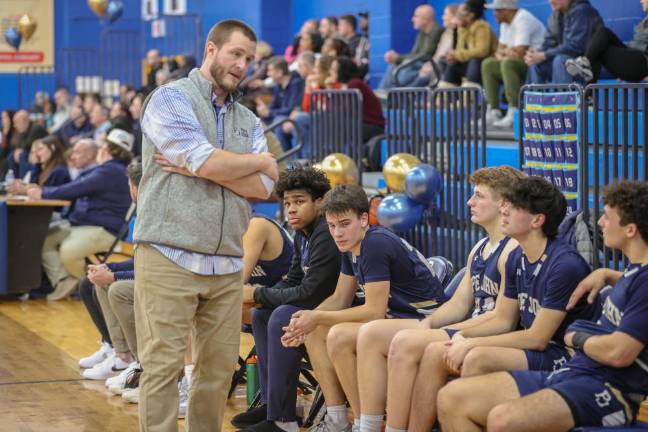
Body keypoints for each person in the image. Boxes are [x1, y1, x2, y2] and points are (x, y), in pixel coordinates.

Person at [132, 19, 278, 432]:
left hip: (227, 262)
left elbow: (266, 186)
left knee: (216, 376)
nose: (242, 65)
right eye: (235, 53)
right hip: (168, 252)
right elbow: (217, 162)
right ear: (211, 50)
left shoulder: (248, 120)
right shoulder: (169, 99)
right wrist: (253, 163)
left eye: (248, 59)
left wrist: (199, 168)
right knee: (163, 370)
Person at [437, 180, 648, 431]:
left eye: (607, 216)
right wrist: (607, 273)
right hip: (576, 371)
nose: (600, 222)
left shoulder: (639, 281)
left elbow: (618, 352)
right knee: (450, 399)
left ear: (630, 230)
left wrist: (578, 336)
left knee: (502, 419)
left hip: (608, 389)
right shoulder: (634, 272)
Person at [408, 176, 598, 430]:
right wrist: (461, 336)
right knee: (438, 350)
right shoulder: (517, 256)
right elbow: (502, 318)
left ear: (537, 220)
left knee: (477, 357)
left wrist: (471, 343)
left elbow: (537, 338)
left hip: (566, 355)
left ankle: (472, 413)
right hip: (538, 348)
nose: (504, 210)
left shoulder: (565, 265)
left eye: (513, 206)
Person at [354, 166, 523, 432]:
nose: (469, 202)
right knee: (371, 333)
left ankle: (398, 428)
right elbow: (458, 304)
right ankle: (367, 425)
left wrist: (447, 330)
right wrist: (430, 323)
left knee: (404, 342)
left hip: (491, 334)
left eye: (478, 195)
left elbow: (504, 321)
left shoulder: (512, 249)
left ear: (503, 204)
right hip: (471, 324)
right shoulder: (479, 248)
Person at [281, 184, 446, 432]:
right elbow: (340, 298)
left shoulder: (375, 244)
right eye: (332, 226)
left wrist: (317, 316)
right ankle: (339, 420)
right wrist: (307, 320)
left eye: (345, 224)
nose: (337, 233)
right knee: (318, 330)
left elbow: (374, 311)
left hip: (428, 320)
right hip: (399, 319)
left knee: (339, 333)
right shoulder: (351, 245)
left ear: (364, 219)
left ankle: (366, 423)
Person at [232, 167, 340, 432]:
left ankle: (284, 422)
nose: (291, 209)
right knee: (262, 313)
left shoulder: (326, 232)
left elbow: (312, 292)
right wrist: (262, 300)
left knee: (281, 315)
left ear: (319, 202)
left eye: (300, 201)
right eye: (288, 203)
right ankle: (274, 405)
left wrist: (257, 293)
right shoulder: (303, 233)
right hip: (319, 306)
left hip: (339, 309)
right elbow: (292, 279)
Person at [27, 130, 132, 301]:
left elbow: (76, 189)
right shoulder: (107, 169)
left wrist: (43, 193)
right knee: (45, 239)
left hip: (104, 230)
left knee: (69, 250)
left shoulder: (111, 171)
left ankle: (85, 284)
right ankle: (64, 280)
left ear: (105, 150)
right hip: (85, 226)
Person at [481, 0, 546, 128]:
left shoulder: (523, 19)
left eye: (498, 10)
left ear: (507, 10)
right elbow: (498, 51)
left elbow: (521, 52)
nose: (494, 14)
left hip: (537, 65)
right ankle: (494, 110)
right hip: (519, 62)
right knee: (488, 64)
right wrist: (508, 52)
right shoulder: (504, 22)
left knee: (508, 63)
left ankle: (514, 111)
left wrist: (507, 52)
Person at [566, 0, 648, 83]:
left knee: (601, 45)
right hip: (632, 55)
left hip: (641, 62)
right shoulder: (645, 20)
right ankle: (586, 68)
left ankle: (585, 67)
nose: (641, 1)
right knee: (601, 38)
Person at [525, 0, 602, 84]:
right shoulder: (555, 16)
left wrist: (544, 55)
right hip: (566, 64)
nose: (551, 1)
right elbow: (548, 44)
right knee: (536, 63)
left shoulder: (582, 10)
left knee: (561, 61)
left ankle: (563, 97)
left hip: (588, 67)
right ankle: (534, 97)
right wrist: (534, 55)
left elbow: (575, 47)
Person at [329, 57, 385, 170]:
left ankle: (347, 165)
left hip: (373, 126)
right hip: (360, 124)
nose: (331, 72)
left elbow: (346, 110)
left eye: (334, 69)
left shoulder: (355, 84)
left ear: (342, 70)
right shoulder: (349, 84)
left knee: (339, 127)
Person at [379, 5, 444, 89]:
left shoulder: (437, 31)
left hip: (429, 66)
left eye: (416, 16)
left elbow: (425, 55)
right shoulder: (421, 33)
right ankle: (383, 93)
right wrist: (397, 59)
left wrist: (398, 58)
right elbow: (414, 53)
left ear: (426, 19)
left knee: (402, 73)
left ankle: (392, 95)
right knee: (393, 66)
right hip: (418, 65)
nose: (412, 19)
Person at [439, 0, 497, 88]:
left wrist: (457, 55)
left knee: (475, 60)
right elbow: (459, 50)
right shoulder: (462, 28)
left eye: (461, 13)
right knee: (451, 64)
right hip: (467, 65)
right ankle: (445, 95)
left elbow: (481, 51)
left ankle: (468, 96)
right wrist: (454, 56)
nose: (457, 15)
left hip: (483, 66)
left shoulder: (482, 27)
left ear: (471, 15)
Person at [256, 56, 305, 151]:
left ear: (279, 72)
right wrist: (265, 111)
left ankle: (283, 157)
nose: (268, 74)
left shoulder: (296, 83)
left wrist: (269, 113)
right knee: (259, 122)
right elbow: (274, 105)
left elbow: (291, 108)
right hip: (281, 116)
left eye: (270, 70)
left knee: (278, 121)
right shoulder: (277, 85)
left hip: (292, 116)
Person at [411, 4, 460, 88]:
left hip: (446, 68)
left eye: (446, 15)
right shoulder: (446, 34)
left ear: (454, 17)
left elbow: (445, 56)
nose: (443, 17)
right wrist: (428, 65)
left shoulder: (457, 33)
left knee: (419, 76)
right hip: (436, 66)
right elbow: (437, 54)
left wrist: (431, 67)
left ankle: (407, 96)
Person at [6, 135, 70, 194]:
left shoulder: (60, 171)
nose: (37, 154)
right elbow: (34, 183)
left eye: (41, 149)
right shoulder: (43, 168)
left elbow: (50, 193)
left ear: (52, 148)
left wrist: (27, 189)